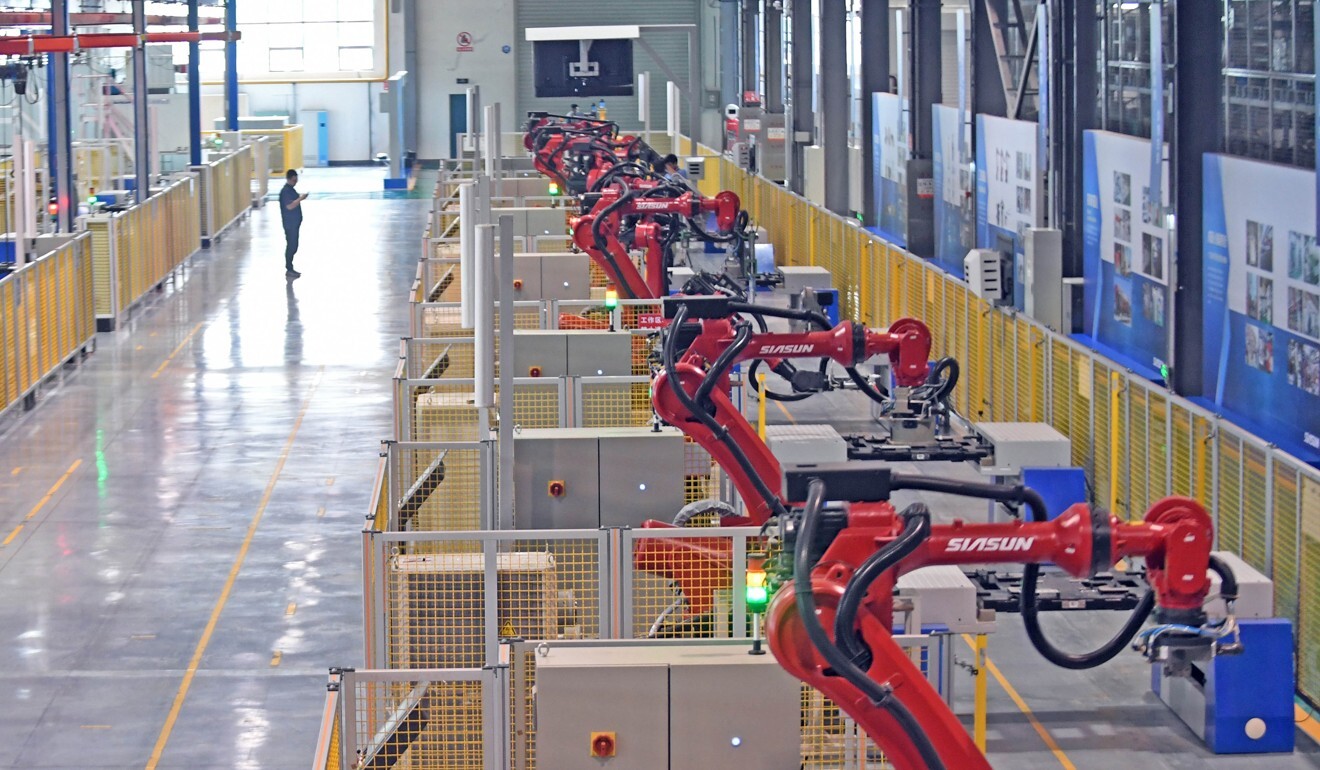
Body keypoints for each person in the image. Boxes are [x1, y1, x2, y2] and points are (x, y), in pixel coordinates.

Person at [280, 169, 308, 278]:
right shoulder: (285, 191)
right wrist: (301, 198)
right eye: (294, 179)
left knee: (294, 245)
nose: (296, 181)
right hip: (289, 224)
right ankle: (289, 268)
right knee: (291, 245)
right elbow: (289, 206)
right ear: (291, 179)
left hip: (294, 224)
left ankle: (290, 267)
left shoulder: (291, 190)